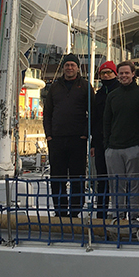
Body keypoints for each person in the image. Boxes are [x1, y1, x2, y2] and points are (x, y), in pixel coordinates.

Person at [43, 53, 92, 217]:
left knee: (78, 178)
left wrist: (85, 134)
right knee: (57, 178)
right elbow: (47, 112)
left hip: (77, 138)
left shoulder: (85, 86)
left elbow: (92, 113)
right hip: (56, 139)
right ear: (63, 67)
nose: (69, 68)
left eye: (72, 65)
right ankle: (60, 211)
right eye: (67, 65)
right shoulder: (55, 87)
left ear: (77, 68)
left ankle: (75, 211)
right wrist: (49, 135)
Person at [102, 61, 139, 223]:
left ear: (133, 74)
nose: (123, 76)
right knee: (116, 185)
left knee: (135, 184)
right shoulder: (112, 96)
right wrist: (107, 145)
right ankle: (118, 216)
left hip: (134, 147)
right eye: (121, 73)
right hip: (114, 148)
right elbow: (106, 122)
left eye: (126, 73)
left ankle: (135, 216)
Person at [91, 60, 119, 217]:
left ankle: (119, 213)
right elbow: (95, 121)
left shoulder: (120, 91)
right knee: (102, 178)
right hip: (101, 141)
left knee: (117, 179)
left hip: (117, 141)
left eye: (109, 72)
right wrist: (94, 143)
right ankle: (101, 212)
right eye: (103, 73)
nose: (106, 76)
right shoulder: (99, 95)